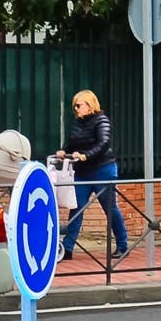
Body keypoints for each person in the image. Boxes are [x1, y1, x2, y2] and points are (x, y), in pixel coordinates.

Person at [59, 89, 130, 260]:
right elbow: (72, 143)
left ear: (89, 105)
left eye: (78, 105)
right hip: (82, 172)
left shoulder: (101, 120)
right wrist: (64, 151)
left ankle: (123, 246)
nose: (75, 109)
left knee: (110, 209)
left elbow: (104, 143)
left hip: (102, 169)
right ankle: (67, 249)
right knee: (77, 209)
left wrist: (86, 155)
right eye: (74, 106)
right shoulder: (77, 122)